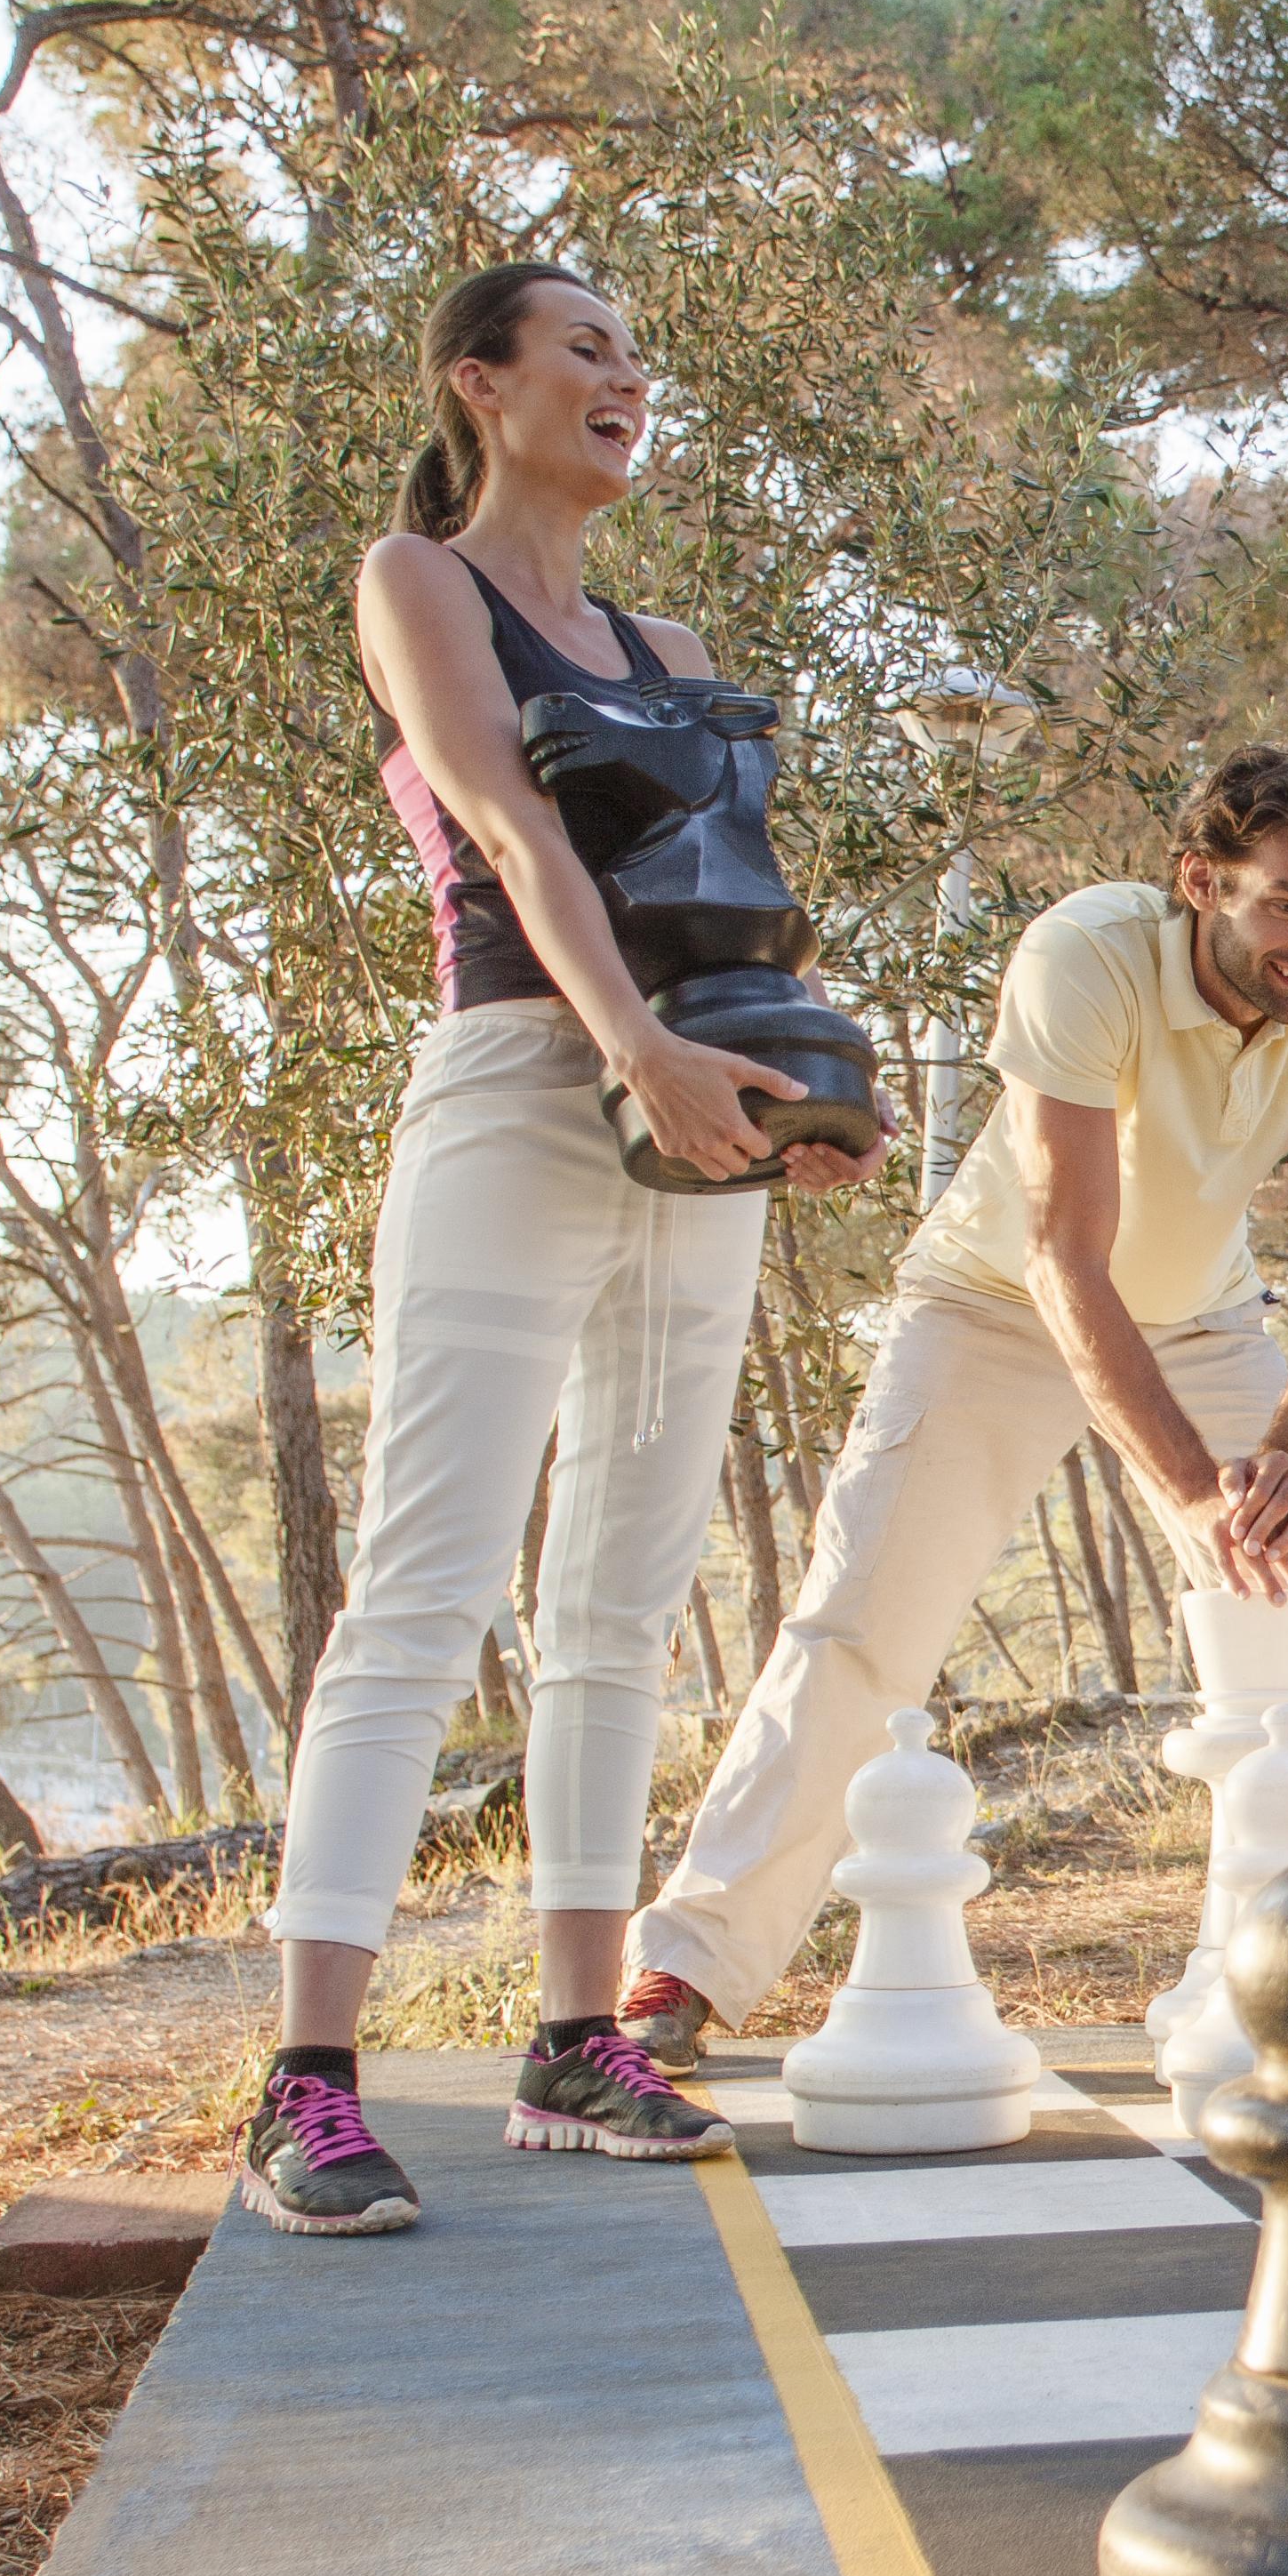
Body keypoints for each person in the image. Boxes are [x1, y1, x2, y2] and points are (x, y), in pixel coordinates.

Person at [243, 263, 878, 2237]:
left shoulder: (669, 635)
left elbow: (734, 895)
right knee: (426, 1588)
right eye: (583, 346)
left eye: (634, 349)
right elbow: (510, 826)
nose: (625, 374)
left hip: (695, 1101)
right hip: (530, 1074)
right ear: (482, 384)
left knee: (622, 1598)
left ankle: (573, 2036)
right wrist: (636, 1053)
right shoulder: (417, 578)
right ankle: (308, 2082)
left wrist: (789, 1092)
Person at [605, 744, 1288, 2067]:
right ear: (1200, 883)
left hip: (1203, 1316)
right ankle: (683, 1963)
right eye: (1287, 908)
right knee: (865, 1624)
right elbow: (1061, 1260)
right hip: (996, 1304)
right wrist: (1199, 1494)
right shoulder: (1082, 955)